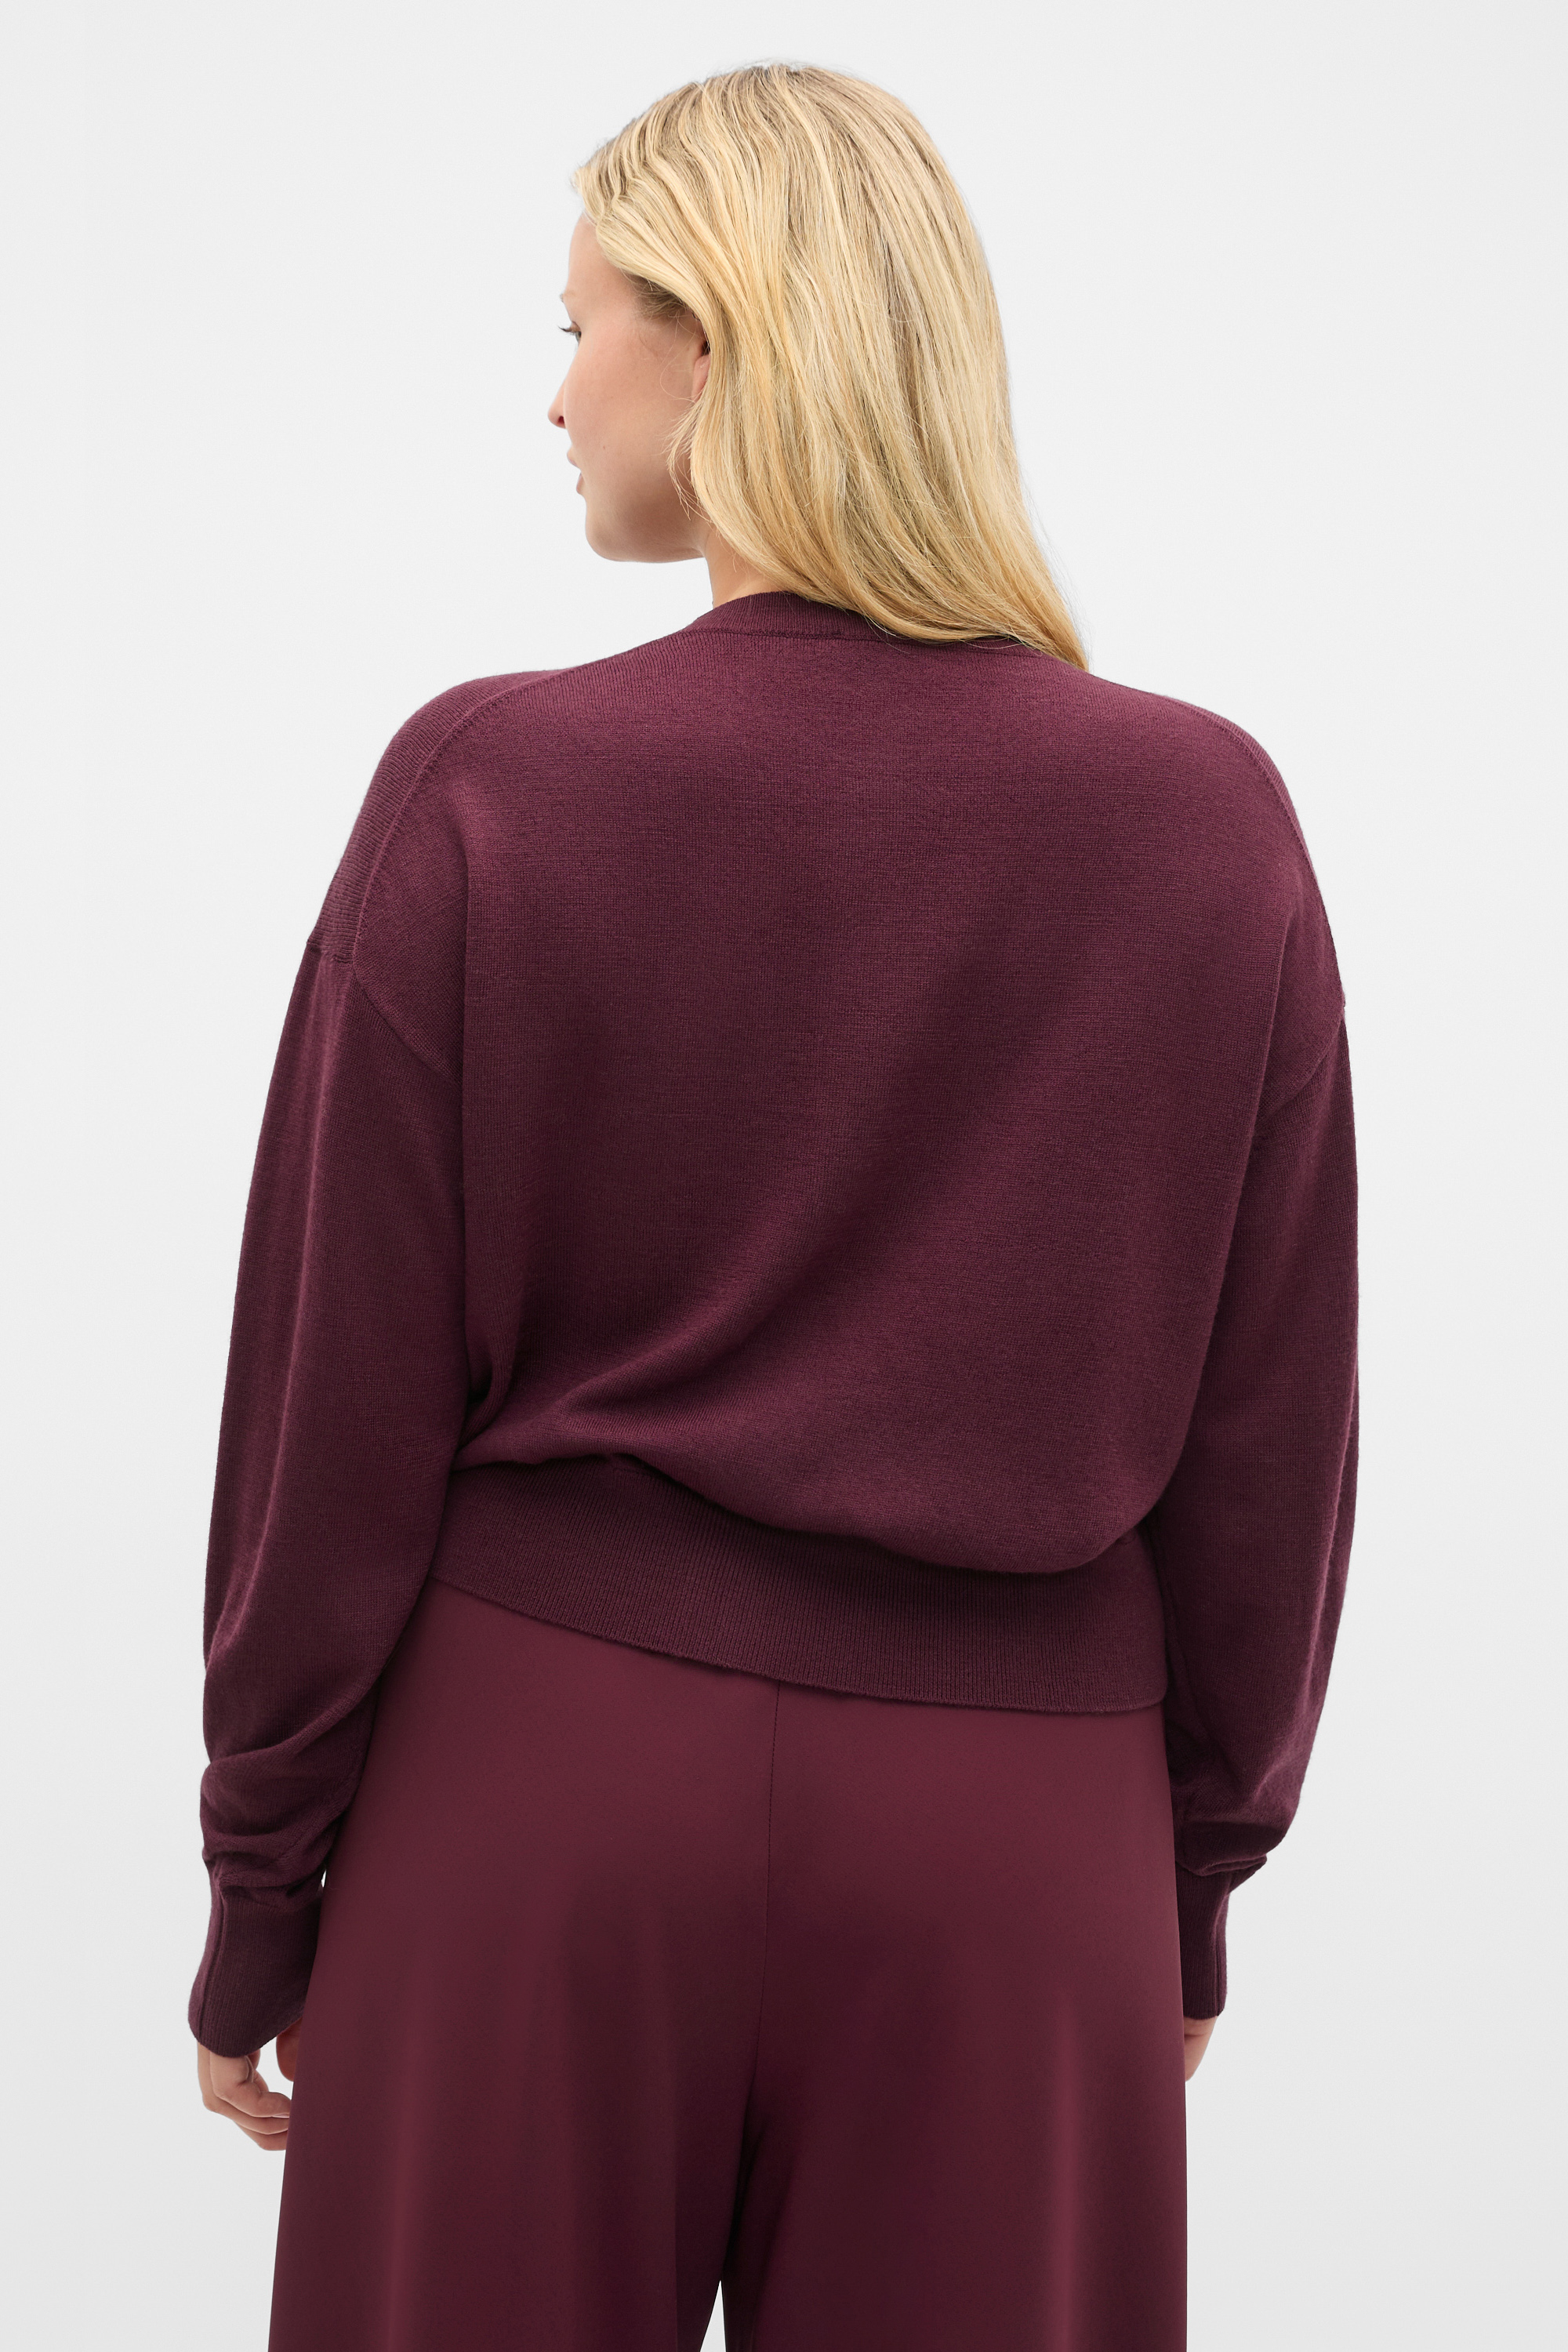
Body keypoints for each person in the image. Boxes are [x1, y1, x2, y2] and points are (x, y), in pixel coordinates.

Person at [191, 60, 1358, 2352]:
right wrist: (1186, 1876)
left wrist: (263, 1878)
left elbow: (334, 1398)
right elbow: (1270, 1435)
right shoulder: (1208, 822)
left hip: (535, 1792)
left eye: (578, 327)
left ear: (714, 342)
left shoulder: (492, 784)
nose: (555, 398)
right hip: (1017, 1843)